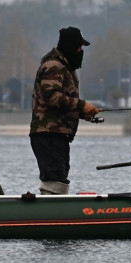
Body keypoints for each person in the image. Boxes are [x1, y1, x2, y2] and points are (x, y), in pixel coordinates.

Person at [29, 26, 100, 195]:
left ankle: (53, 210)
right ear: (70, 46)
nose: (81, 51)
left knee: (59, 179)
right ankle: (51, 215)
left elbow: (63, 103)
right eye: (79, 47)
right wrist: (82, 105)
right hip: (48, 134)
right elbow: (53, 98)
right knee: (55, 180)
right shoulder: (53, 66)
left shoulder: (65, 68)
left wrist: (83, 113)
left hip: (57, 135)